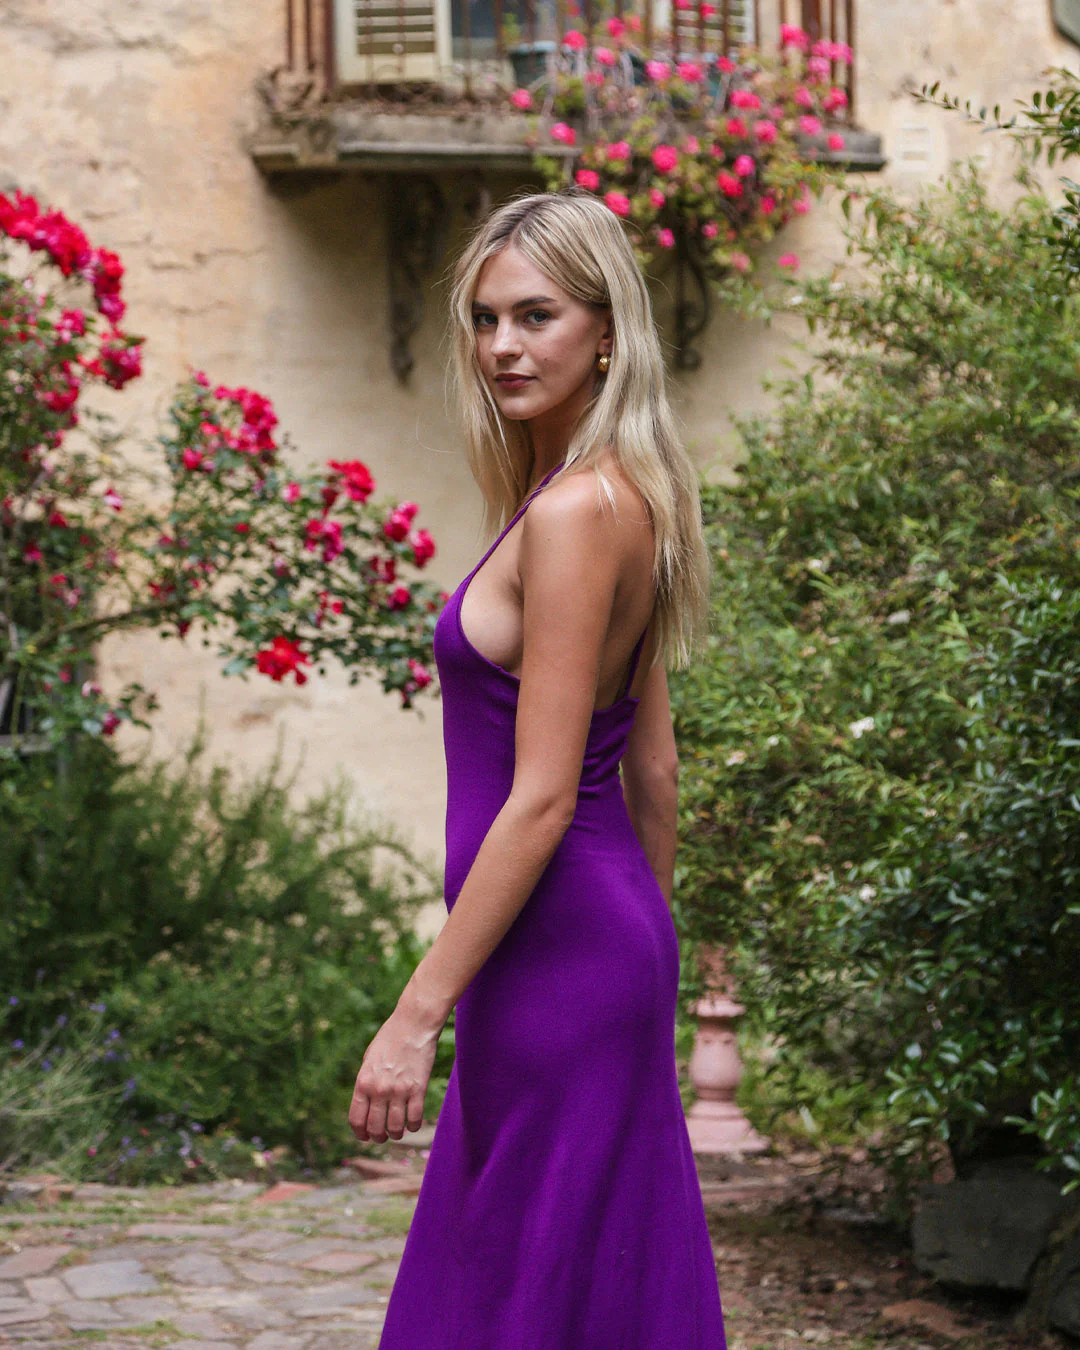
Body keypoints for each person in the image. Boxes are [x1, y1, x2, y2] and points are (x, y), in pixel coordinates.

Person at [348, 188, 726, 1348]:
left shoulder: (576, 513)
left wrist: (416, 1013)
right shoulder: (616, 496)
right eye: (485, 318)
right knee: (550, 1283)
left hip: (560, 953)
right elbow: (654, 768)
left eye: (536, 315)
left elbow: (549, 794)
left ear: (606, 331)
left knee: (514, 1283)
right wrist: (645, 951)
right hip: (573, 951)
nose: (502, 345)